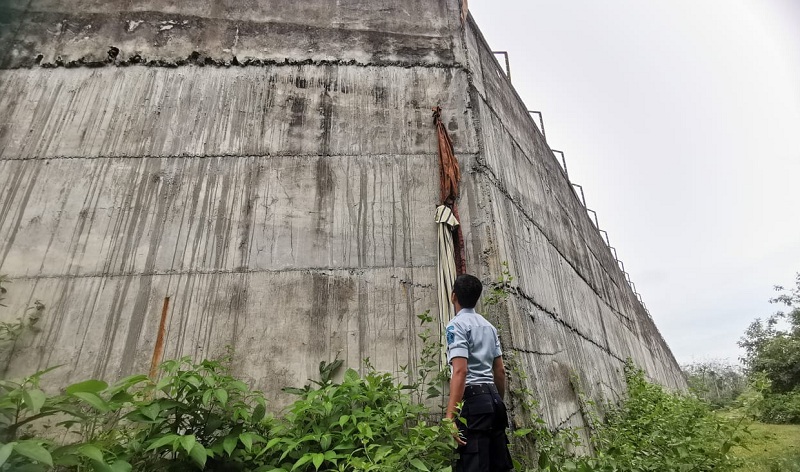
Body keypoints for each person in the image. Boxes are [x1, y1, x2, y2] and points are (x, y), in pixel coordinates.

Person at [445, 274, 514, 472]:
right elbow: (499, 371)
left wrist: (450, 417)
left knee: (474, 465)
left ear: (453, 296)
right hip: (494, 400)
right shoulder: (489, 327)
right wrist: (496, 401)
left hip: (474, 405)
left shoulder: (455, 326)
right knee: (499, 465)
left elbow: (460, 370)